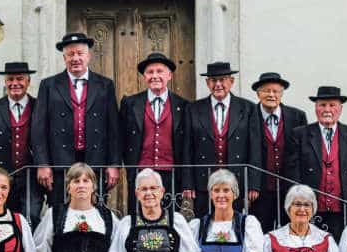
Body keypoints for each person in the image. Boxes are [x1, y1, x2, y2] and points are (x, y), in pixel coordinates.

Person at [31, 32, 121, 207]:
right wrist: (43, 164)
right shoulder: (49, 85)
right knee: (59, 211)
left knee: (96, 209)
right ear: (64, 58)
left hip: (96, 161)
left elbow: (114, 128)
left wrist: (114, 164)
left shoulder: (105, 85)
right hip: (59, 162)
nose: (75, 58)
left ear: (89, 56)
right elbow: (38, 128)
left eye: (80, 53)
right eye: (70, 54)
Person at [286, 85, 347, 238]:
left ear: (340, 108)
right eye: (322, 105)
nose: (327, 109)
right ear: (316, 108)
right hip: (310, 210)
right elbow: (293, 176)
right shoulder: (299, 135)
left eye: (332, 105)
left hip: (344, 211)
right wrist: (298, 208)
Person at [183, 61, 262, 216]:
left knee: (234, 223)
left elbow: (255, 148)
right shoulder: (193, 109)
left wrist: (253, 184)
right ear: (207, 83)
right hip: (203, 181)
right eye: (213, 80)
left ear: (231, 82)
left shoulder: (248, 108)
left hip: (236, 180)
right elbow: (187, 147)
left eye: (223, 80)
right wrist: (188, 182)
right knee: (204, 223)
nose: (218, 84)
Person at [119, 52, 190, 204]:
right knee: (138, 217)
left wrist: (186, 178)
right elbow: (120, 138)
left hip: (170, 173)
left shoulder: (183, 106)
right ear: (144, 77)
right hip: (140, 172)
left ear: (169, 75)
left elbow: (187, 144)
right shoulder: (130, 103)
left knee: (169, 218)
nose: (155, 76)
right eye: (150, 72)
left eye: (160, 71)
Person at [0, 62, 43, 227]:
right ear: (5, 82)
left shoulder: (40, 107)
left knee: (32, 216)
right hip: (2, 176)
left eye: (20, 79)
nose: (15, 83)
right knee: (3, 219)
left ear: (28, 81)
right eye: (10, 79)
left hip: (31, 177)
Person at [249, 72, 307, 231]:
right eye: (266, 91)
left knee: (291, 231)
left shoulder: (297, 116)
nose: (271, 95)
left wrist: (300, 186)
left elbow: (303, 154)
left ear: (282, 94)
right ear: (258, 93)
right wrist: (251, 185)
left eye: (276, 91)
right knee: (261, 231)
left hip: (289, 187)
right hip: (260, 190)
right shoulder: (248, 115)